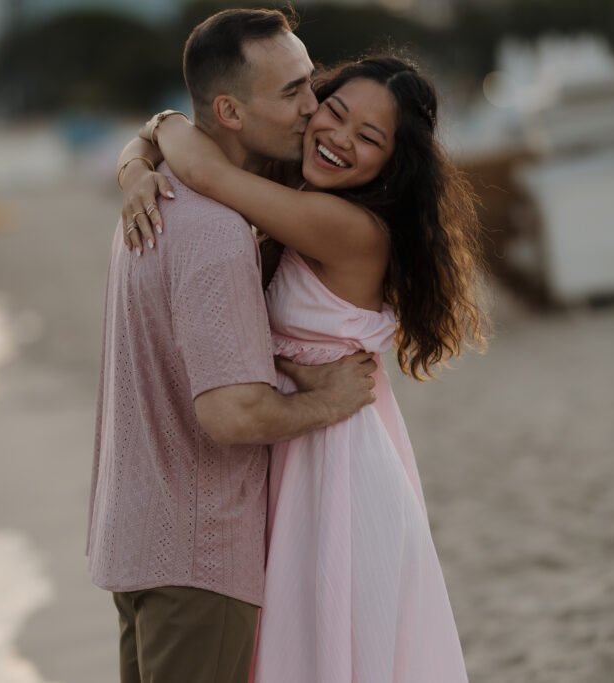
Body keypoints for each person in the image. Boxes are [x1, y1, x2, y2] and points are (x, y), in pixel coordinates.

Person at [120, 54, 489, 682]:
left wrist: (156, 133)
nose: (340, 139)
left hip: (336, 465)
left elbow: (204, 167)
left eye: (368, 138)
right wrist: (135, 164)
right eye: (335, 113)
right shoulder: (302, 192)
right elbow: (171, 141)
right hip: (300, 445)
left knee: (327, 646)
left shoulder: (348, 227)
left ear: (391, 164)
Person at [87, 9, 380, 683]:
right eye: (291, 92)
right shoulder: (216, 232)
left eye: (311, 84)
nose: (314, 107)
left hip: (136, 544)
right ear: (229, 111)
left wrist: (142, 149)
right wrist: (330, 400)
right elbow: (232, 414)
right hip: (198, 558)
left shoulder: (152, 202)